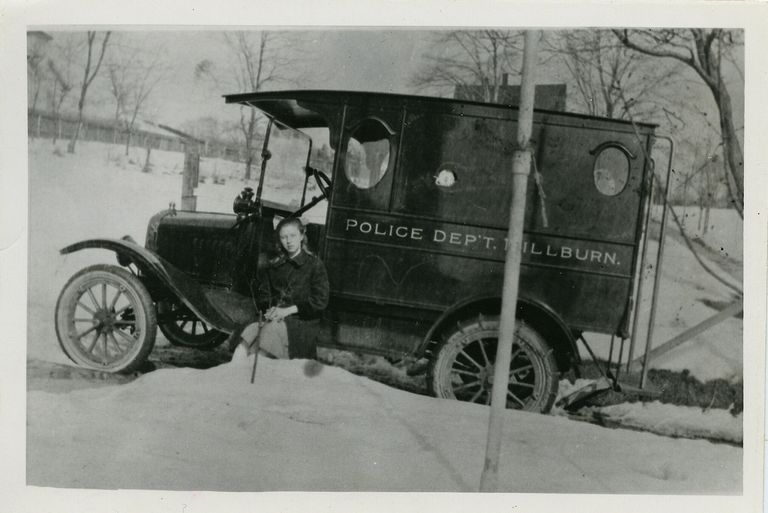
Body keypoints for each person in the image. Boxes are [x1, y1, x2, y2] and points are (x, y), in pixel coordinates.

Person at [231, 217, 329, 360]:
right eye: (283, 237)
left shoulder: (314, 265)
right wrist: (271, 310)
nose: (288, 241)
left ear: (302, 236)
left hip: (301, 324)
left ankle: (256, 374)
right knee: (248, 335)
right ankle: (236, 372)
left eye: (293, 236)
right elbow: (265, 295)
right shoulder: (275, 265)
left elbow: (320, 302)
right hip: (275, 318)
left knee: (266, 338)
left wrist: (286, 311)